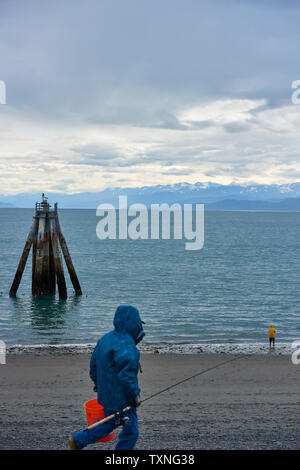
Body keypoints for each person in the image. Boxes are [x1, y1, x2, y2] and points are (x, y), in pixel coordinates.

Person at [68, 305, 145, 450]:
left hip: (106, 395)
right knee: (131, 431)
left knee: (109, 423)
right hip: (123, 399)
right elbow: (126, 376)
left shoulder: (105, 339)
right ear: (134, 324)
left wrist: (97, 384)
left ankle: (77, 440)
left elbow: (93, 366)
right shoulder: (128, 346)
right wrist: (135, 396)